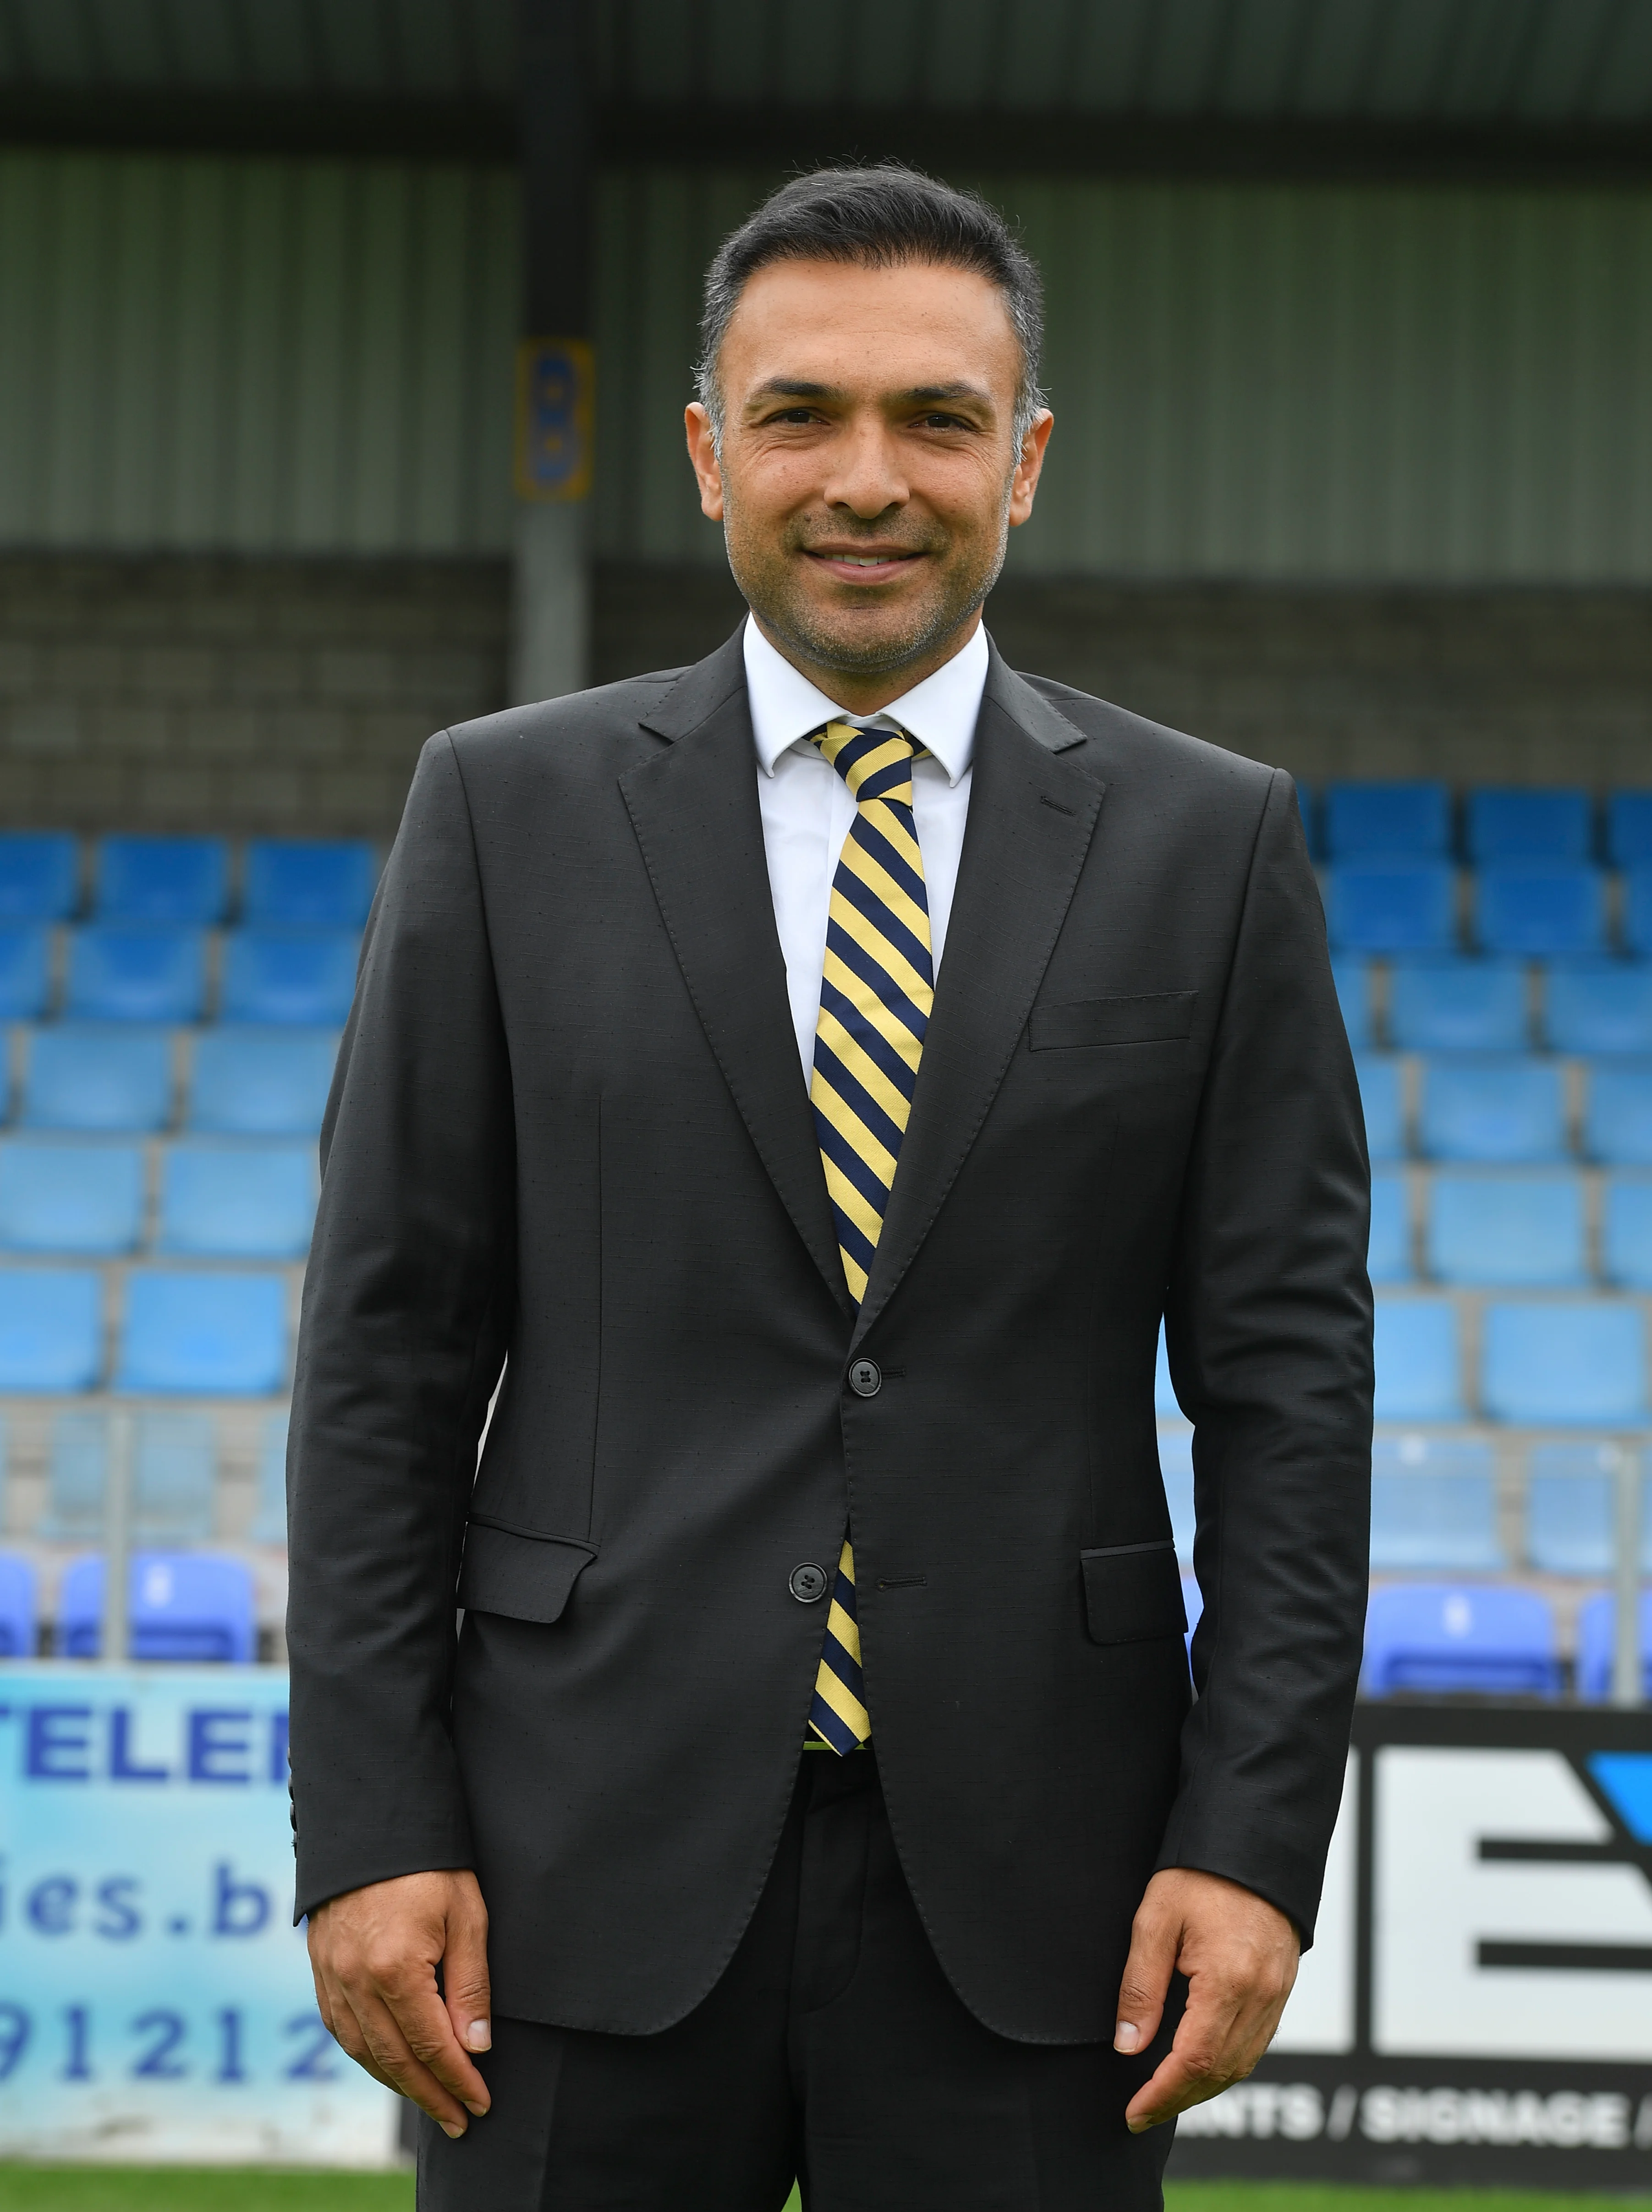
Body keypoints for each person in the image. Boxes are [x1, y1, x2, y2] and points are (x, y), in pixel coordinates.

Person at [288, 164, 1372, 2212]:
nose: (865, 479)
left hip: (1044, 1906)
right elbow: (386, 1355)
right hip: (561, 1882)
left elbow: (1289, 1394)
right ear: (708, 452)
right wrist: (365, 1825)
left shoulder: (1210, 847)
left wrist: (1248, 1842)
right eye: (800, 415)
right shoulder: (498, 811)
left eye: (935, 421)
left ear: (1024, 461)